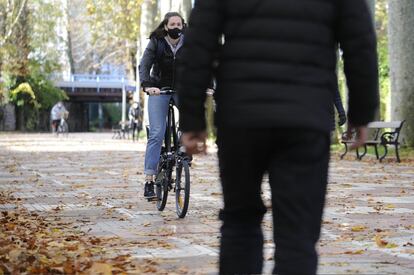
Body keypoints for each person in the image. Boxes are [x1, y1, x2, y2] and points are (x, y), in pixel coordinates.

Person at [177, 0, 379, 274]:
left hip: (241, 117)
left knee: (240, 221)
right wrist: (361, 114)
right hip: (305, 118)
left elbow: (199, 41)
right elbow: (360, 43)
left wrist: (192, 119)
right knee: (298, 232)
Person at [139, 12, 186, 199]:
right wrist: (148, 86)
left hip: (182, 89)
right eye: (172, 24)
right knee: (157, 133)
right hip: (159, 89)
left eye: (179, 24)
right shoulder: (156, 42)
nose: (176, 27)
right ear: (166, 26)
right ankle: (149, 181)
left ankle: (183, 148)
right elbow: (144, 65)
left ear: (183, 26)